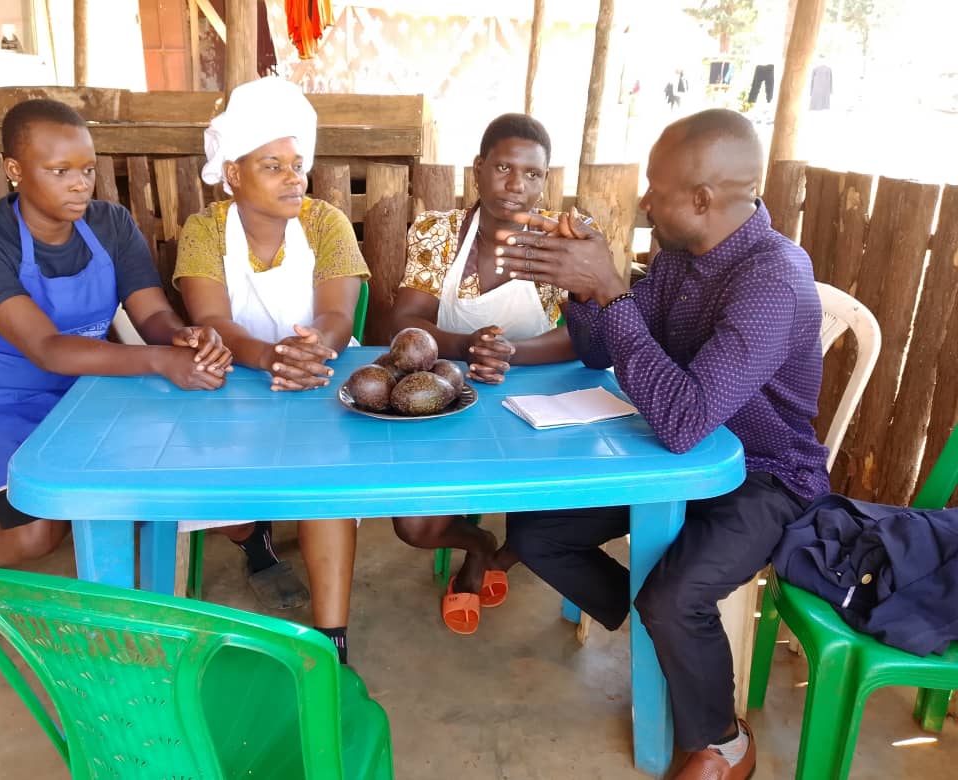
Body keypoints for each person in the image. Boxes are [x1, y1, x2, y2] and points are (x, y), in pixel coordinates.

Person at [493, 109, 830, 779]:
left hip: (763, 478)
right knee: (535, 536)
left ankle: (723, 741)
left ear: (703, 200)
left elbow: (682, 422)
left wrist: (613, 289)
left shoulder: (772, 281)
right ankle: (660, 634)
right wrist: (587, 287)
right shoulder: (682, 259)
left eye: (657, 187)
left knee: (675, 598)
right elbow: (596, 351)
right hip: (673, 466)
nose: (645, 200)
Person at [0, 99, 233, 569]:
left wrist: (183, 337)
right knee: (38, 534)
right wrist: (161, 361)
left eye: (87, 170)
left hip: (94, 390)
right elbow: (47, 349)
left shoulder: (111, 224)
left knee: (142, 490)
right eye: (60, 171)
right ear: (14, 169)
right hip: (4, 403)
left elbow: (152, 313)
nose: (80, 184)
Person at [173, 77, 366, 662]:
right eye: (273, 165)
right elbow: (212, 321)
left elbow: (338, 312)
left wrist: (314, 350)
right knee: (206, 482)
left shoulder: (325, 222)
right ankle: (251, 540)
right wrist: (271, 357)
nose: (293, 178)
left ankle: (332, 638)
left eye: (297, 165)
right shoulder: (205, 230)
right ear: (233, 173)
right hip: (236, 377)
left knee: (325, 484)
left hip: (319, 378)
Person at [389, 113, 582, 635]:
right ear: (478, 169)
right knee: (414, 524)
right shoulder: (440, 233)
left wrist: (511, 353)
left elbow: (585, 337)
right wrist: (465, 346)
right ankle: (479, 542)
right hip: (449, 399)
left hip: (539, 403)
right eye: (502, 167)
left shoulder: (558, 242)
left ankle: (493, 562)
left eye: (532, 174)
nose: (516, 185)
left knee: (569, 511)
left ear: (545, 179)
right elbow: (404, 321)